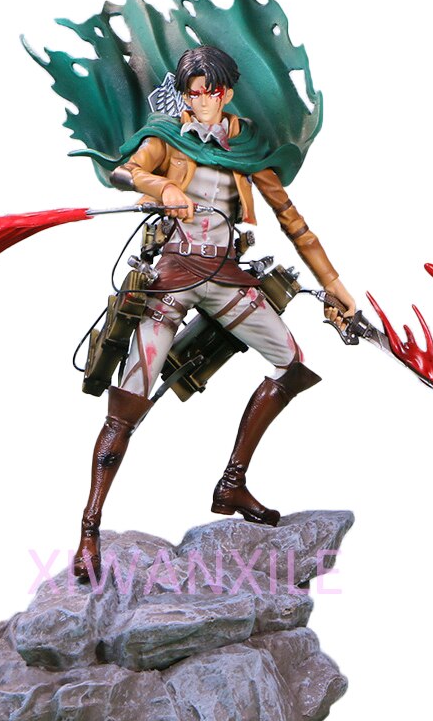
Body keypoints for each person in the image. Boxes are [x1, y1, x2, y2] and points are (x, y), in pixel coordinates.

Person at [73, 46, 356, 579]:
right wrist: (163, 186)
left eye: (211, 91)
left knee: (293, 365)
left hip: (226, 276)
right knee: (128, 402)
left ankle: (232, 483)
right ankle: (89, 530)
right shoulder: (167, 137)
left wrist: (333, 284)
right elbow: (125, 172)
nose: (201, 101)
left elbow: (293, 222)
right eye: (193, 92)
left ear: (226, 93)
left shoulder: (247, 149)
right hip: (173, 278)